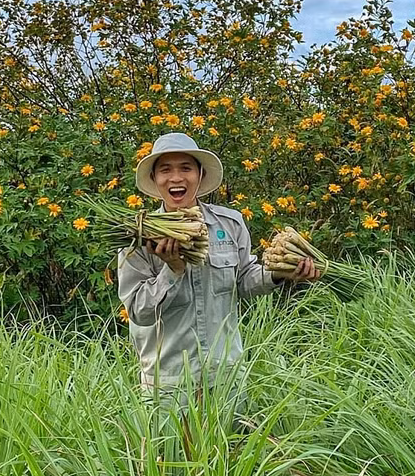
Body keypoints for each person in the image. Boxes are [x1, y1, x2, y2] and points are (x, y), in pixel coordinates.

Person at [117, 132, 319, 402]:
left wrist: (281, 272)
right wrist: (172, 270)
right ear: (154, 178)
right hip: (168, 383)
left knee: (234, 433)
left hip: (226, 376)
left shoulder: (229, 224)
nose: (176, 178)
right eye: (165, 170)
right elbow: (138, 312)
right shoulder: (138, 238)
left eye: (185, 168)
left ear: (200, 174)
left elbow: (244, 281)